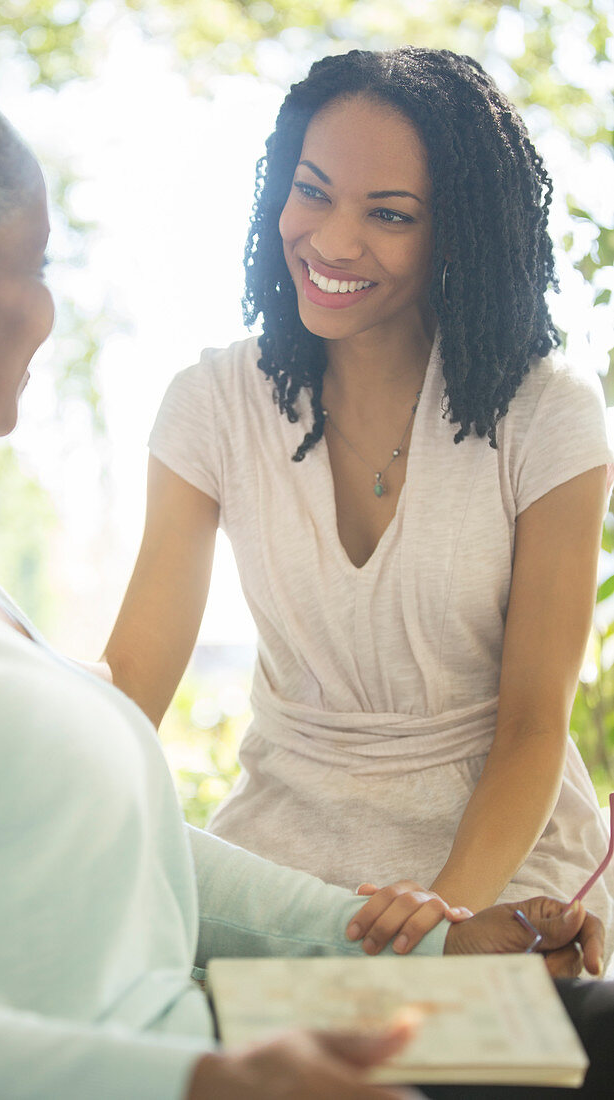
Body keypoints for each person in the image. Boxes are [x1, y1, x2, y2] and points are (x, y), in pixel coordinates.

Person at [0, 53, 612, 1100]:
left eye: (389, 212)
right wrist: (203, 1075)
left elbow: (126, 811)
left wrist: (433, 946)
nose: (336, 238)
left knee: (589, 1034)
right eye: (38, 267)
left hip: (274, 974)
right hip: (178, 1027)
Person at [104, 46, 614, 957]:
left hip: (497, 867)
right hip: (280, 855)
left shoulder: (548, 416)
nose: (333, 242)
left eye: (388, 214)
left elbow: (533, 727)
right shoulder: (212, 403)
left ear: (455, 231)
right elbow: (130, 686)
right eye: (312, 192)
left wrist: (437, 923)